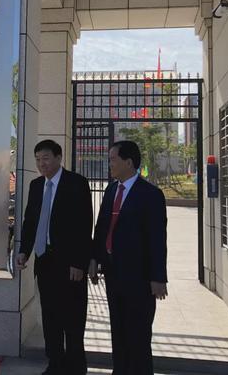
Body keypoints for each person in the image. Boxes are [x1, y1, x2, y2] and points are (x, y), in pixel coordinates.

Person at [88, 140, 168, 375]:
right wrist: (94, 258)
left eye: (113, 159)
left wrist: (158, 277)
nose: (109, 163)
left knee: (139, 335)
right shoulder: (112, 189)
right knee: (118, 331)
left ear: (129, 162)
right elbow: (101, 227)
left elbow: (157, 239)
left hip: (140, 278)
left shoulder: (151, 194)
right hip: (113, 274)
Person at [16, 139, 93, 375]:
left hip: (70, 264)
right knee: (50, 317)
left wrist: (79, 263)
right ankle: (56, 363)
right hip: (45, 261)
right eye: (38, 159)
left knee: (73, 318)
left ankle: (76, 366)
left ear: (59, 158)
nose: (42, 164)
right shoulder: (36, 185)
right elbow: (31, 221)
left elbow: (84, 225)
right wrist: (23, 250)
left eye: (46, 158)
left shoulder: (77, 183)